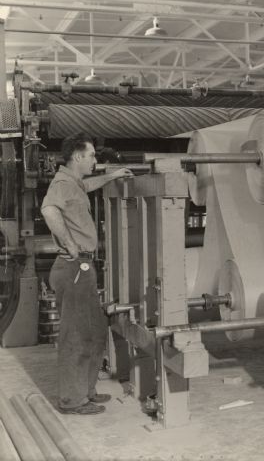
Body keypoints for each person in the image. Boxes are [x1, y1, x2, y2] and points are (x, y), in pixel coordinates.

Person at [41, 133, 133, 415]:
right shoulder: (61, 184)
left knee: (93, 331)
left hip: (82, 267)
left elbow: (87, 185)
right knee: (76, 335)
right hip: (73, 267)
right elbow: (48, 209)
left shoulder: (73, 183)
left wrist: (112, 175)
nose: (95, 160)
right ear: (78, 157)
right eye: (92, 155)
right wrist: (69, 243)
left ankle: (86, 391)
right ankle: (71, 400)